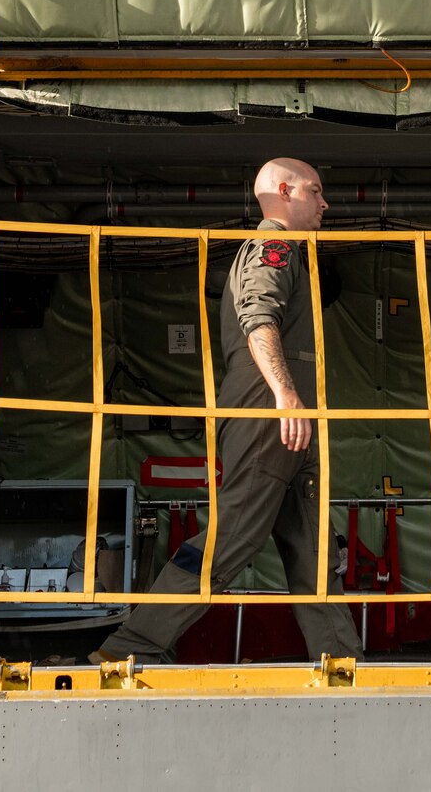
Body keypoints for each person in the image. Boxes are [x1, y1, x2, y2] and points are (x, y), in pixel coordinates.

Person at [92, 157, 364, 664]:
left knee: (313, 553)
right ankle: (131, 647)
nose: (325, 203)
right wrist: (285, 395)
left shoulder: (292, 255)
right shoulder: (272, 248)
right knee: (231, 538)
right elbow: (259, 318)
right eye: (316, 191)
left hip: (292, 422)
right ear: (284, 191)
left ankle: (343, 659)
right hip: (272, 416)